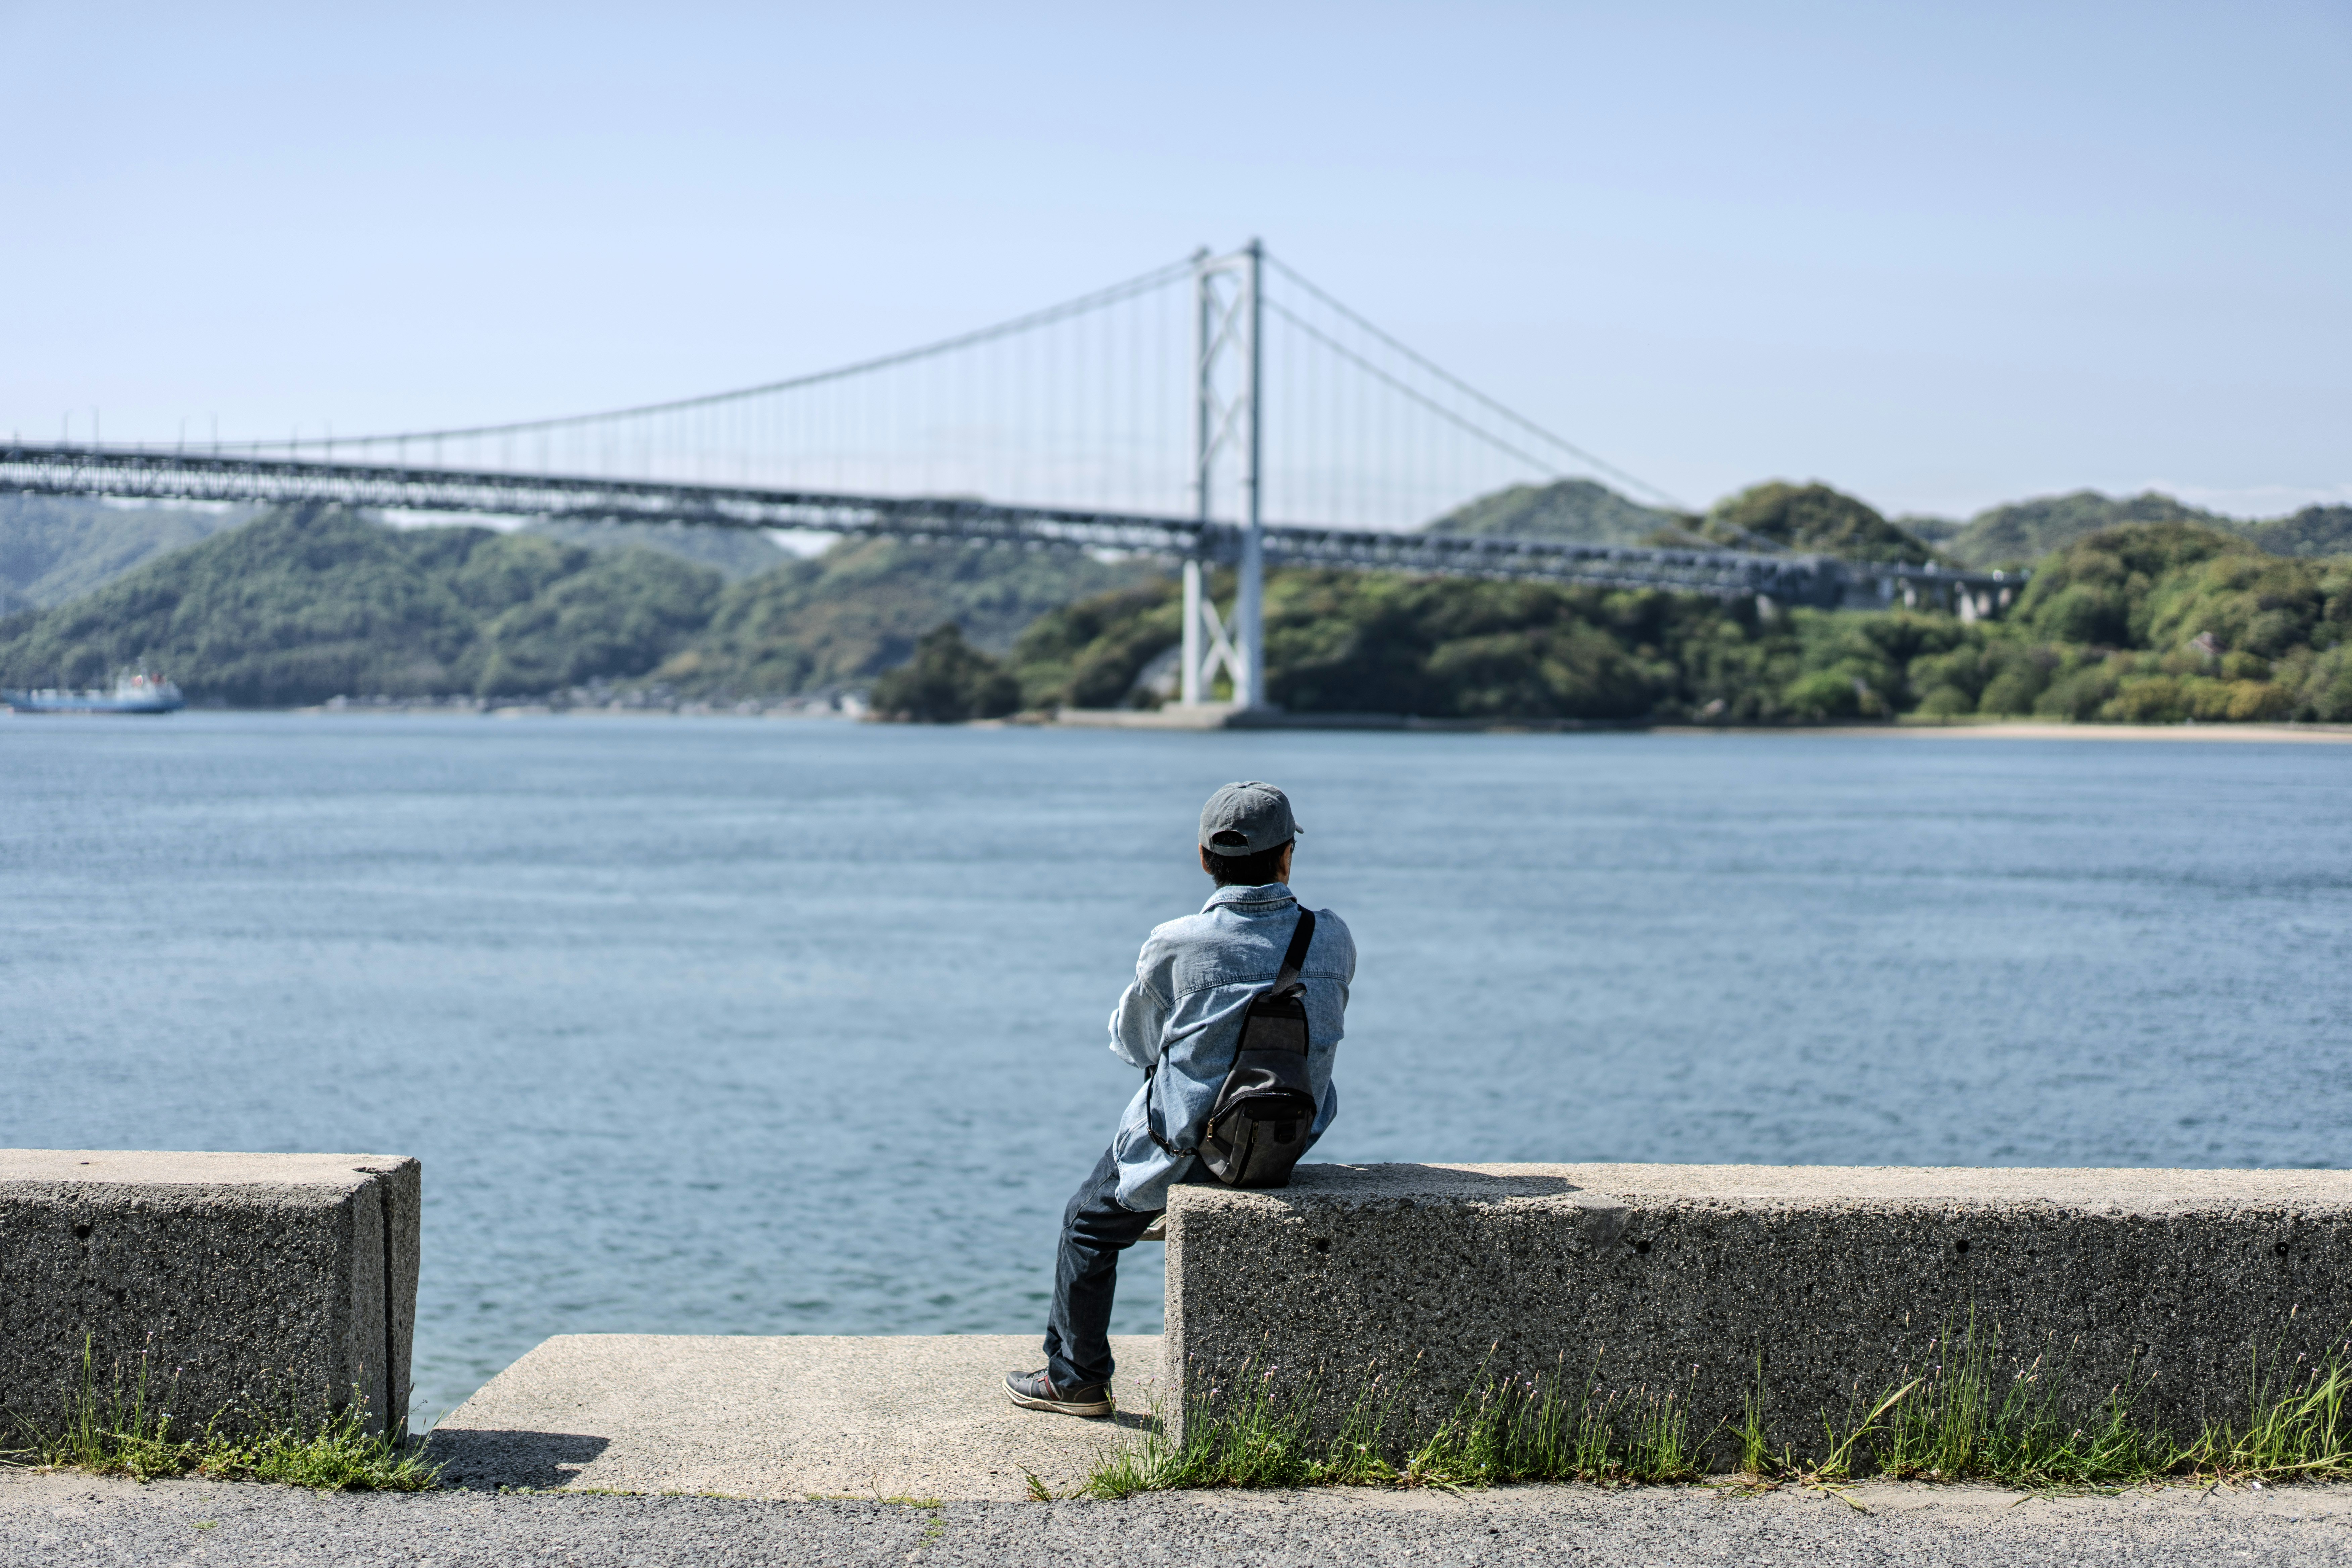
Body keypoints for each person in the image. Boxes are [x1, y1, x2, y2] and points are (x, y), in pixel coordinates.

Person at [1005, 780, 1356, 1417]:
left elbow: (1132, 1043)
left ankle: (1075, 1379)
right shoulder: (1330, 937)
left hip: (1194, 1148)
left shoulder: (1176, 941)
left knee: (1087, 1222)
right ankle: (1071, 1373)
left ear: (1204, 859)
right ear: (1287, 856)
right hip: (1286, 1138)